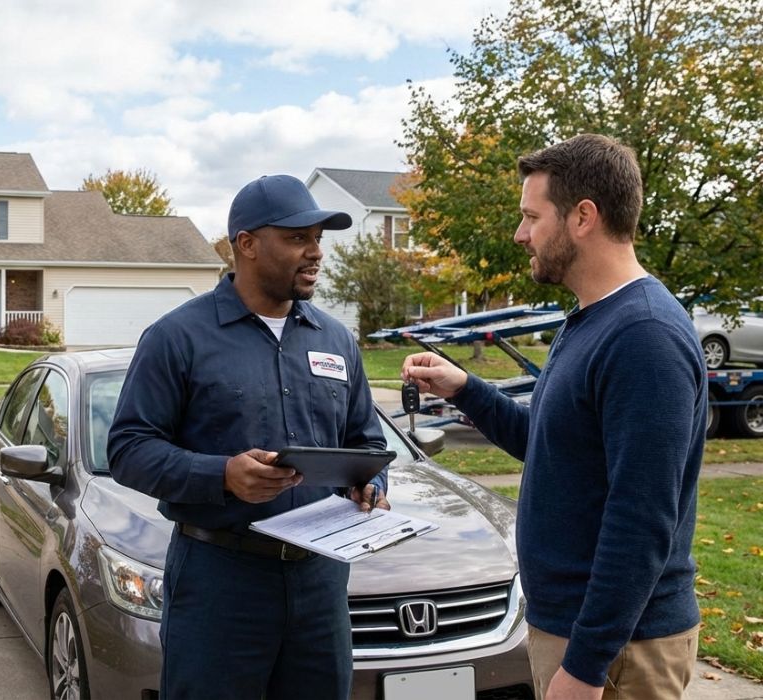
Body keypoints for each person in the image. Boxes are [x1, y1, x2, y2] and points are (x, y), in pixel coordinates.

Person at [402, 134, 704, 700]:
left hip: (620, 651)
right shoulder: (592, 319)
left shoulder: (644, 336)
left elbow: (641, 519)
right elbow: (552, 447)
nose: (521, 234)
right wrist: (465, 388)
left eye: (531, 217)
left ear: (583, 217)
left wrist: (586, 666)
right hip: (582, 633)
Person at [107, 174, 388, 699]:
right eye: (298, 238)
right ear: (247, 244)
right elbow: (129, 450)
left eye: (318, 239)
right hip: (220, 581)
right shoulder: (177, 337)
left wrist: (370, 482)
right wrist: (223, 475)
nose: (315, 252)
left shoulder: (335, 340)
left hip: (320, 582)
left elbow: (367, 441)